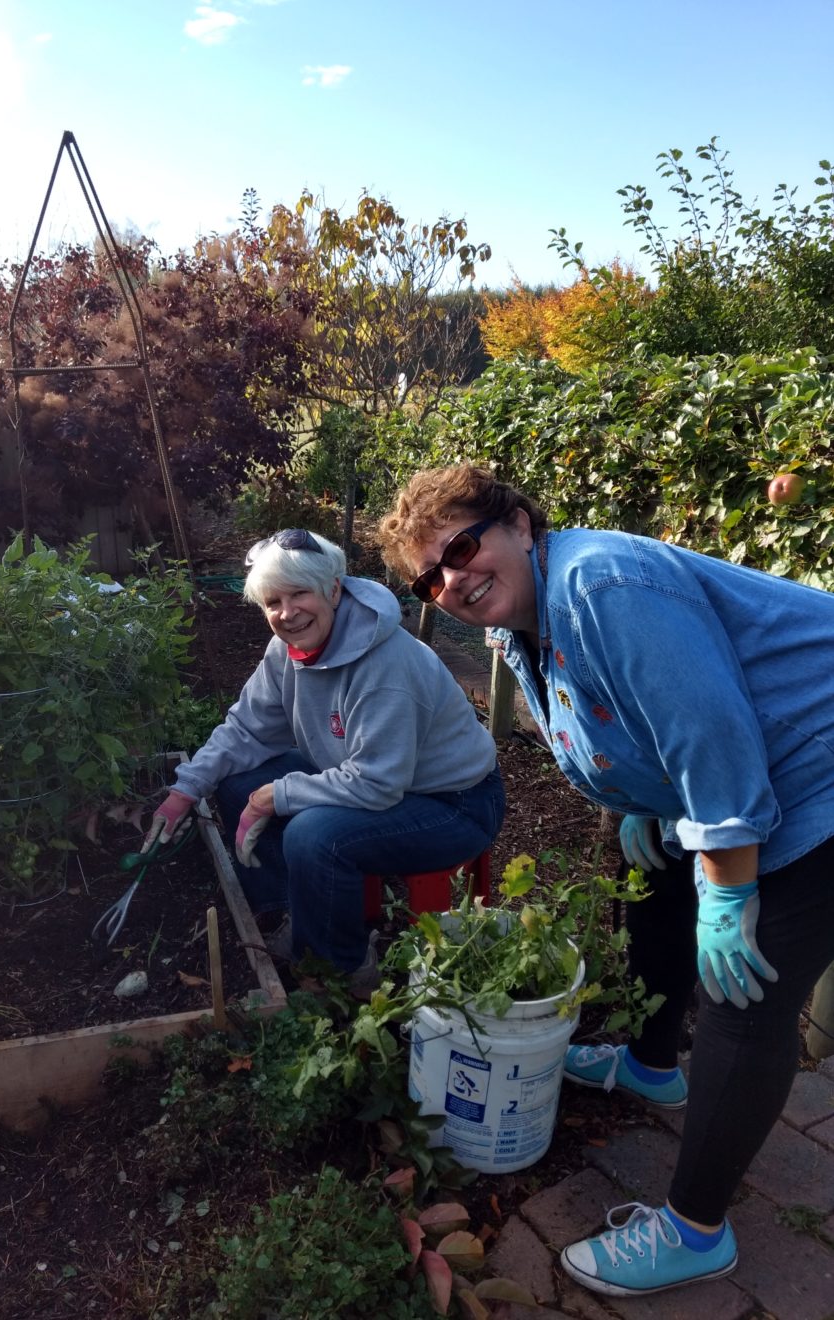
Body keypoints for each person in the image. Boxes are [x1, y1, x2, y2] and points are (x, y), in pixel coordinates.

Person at [378, 463, 834, 1297]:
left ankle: (696, 1229)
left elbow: (710, 736)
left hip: (819, 771)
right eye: (429, 577)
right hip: (760, 767)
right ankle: (653, 1063)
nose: (451, 581)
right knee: (653, 869)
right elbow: (627, 721)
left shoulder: (599, 585)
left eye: (461, 549)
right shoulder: (526, 624)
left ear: (520, 523)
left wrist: (730, 891)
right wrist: (647, 804)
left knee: (745, 989)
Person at [142, 527, 505, 996]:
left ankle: (343, 971)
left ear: (333, 590)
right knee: (238, 782)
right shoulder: (286, 651)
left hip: (453, 804)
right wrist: (184, 790)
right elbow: (246, 729)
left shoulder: (385, 665)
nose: (287, 613)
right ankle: (293, 915)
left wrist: (277, 796)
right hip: (375, 778)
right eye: (273, 602)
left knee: (314, 835)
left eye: (300, 594)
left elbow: (377, 783)